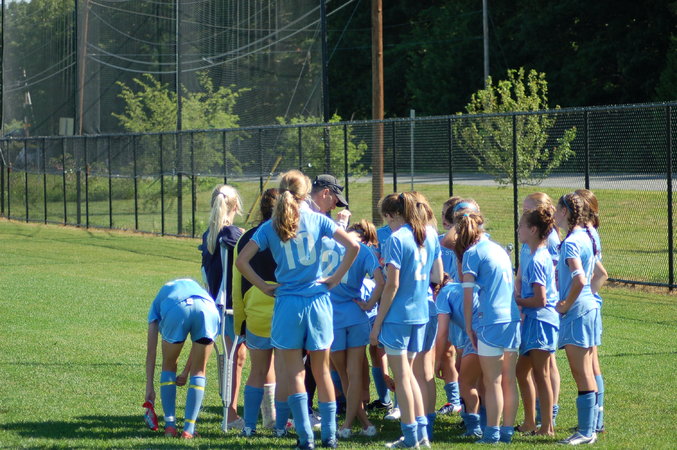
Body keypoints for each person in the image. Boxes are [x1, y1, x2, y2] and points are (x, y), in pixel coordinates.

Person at [236, 170, 359, 449]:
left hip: (288, 304)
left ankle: (305, 438)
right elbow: (353, 246)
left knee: (293, 374)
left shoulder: (271, 226)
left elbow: (242, 261)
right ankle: (329, 436)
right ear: (306, 193)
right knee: (323, 371)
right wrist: (335, 278)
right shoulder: (318, 220)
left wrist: (264, 286)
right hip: (317, 302)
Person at [370, 192, 443, 449]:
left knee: (403, 378)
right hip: (421, 313)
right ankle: (421, 434)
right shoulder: (430, 234)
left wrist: (377, 323)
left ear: (392, 215)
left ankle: (411, 436)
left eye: (386, 219)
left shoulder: (396, 238)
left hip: (398, 316)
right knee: (410, 375)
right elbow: (438, 276)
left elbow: (392, 285)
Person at [456, 209, 521, 444]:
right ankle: (507, 432)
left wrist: (468, 326)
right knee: (509, 380)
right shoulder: (499, 249)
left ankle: (492, 433)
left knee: (492, 381)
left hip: (490, 320)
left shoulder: (472, 254)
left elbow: (467, 296)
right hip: (512, 319)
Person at [323, 219, 384, 438]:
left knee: (343, 374)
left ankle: (349, 425)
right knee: (354, 373)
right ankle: (362, 423)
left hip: (330, 317)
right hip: (356, 314)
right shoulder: (364, 250)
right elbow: (381, 281)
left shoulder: (325, 244)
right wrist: (369, 304)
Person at [232, 188, 281, 437]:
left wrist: (239, 322)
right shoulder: (289, 232)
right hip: (286, 310)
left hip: (256, 312)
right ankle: (280, 424)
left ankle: (250, 426)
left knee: (257, 370)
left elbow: (236, 283)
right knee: (288, 372)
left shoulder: (246, 238)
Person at [144, 279, 220, 439]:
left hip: (177, 308)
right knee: (199, 371)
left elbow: (151, 351)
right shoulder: (196, 288)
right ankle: (189, 430)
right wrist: (186, 372)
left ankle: (170, 426)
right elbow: (197, 346)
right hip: (208, 308)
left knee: (169, 366)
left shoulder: (156, 304)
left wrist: (149, 386)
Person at [554, 193, 600, 445]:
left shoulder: (571, 242)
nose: (554, 214)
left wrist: (565, 304)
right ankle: (590, 429)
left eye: (557, 209)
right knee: (588, 370)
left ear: (564, 211)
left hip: (578, 311)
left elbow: (580, 279)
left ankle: (585, 432)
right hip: (589, 307)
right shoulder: (587, 235)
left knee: (581, 372)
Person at [514, 192, 562, 432]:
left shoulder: (538, 259)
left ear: (533, 230)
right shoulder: (533, 254)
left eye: (521, 226)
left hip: (541, 321)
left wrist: (516, 301)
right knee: (521, 371)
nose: (518, 231)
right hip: (532, 321)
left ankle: (547, 426)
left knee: (542, 375)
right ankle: (529, 422)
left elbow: (540, 299)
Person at [199, 184, 245, 429]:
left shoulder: (210, 233)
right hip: (230, 305)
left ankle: (231, 411)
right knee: (234, 357)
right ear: (235, 206)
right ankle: (231, 413)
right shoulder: (231, 234)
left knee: (234, 356)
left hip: (215, 303)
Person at [575, 188, 608, 434]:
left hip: (585, 306)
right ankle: (597, 419)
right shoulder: (589, 233)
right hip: (589, 304)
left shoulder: (586, 234)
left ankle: (595, 421)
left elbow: (601, 273)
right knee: (592, 363)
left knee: (591, 364)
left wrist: (588, 295)